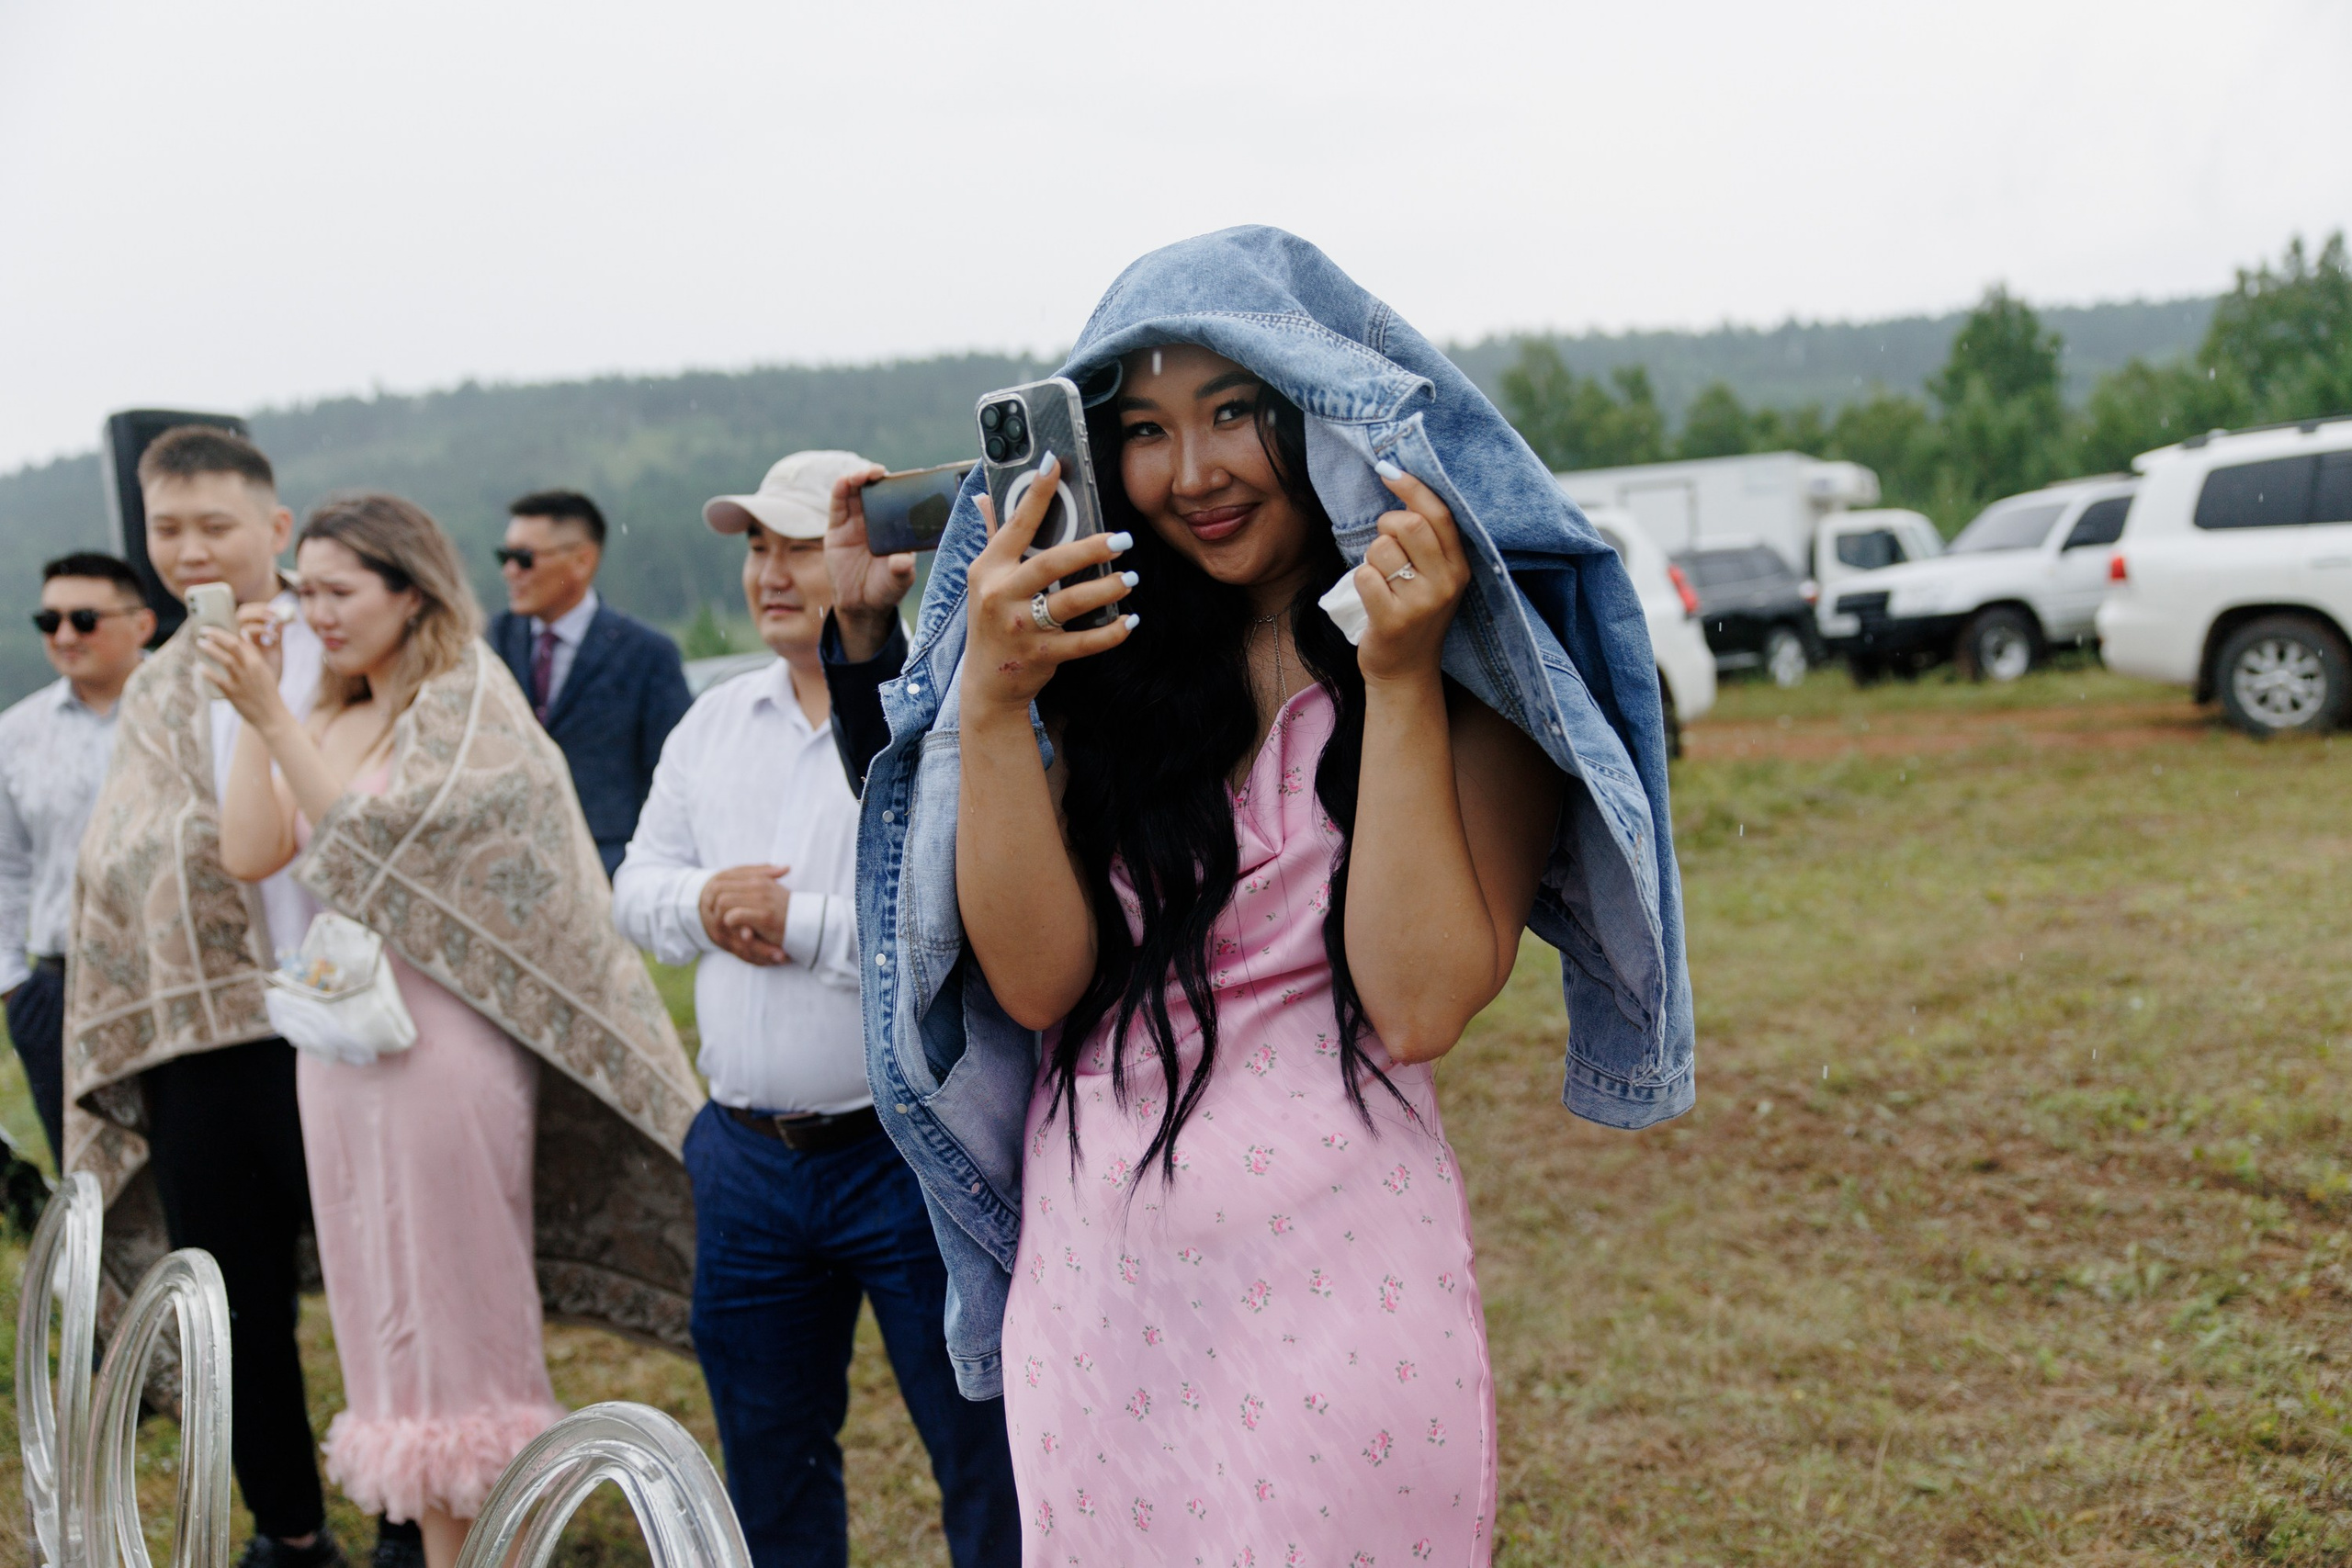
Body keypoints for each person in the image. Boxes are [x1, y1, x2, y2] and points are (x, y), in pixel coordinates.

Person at [843, 229, 1696, 1568]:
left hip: (1343, 1303)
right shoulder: (1097, 669)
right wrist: (994, 707)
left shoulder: (1484, 666)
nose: (1195, 474)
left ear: (1326, 411)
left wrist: (1402, 676)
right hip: (1098, 1311)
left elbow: (1417, 1002)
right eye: (1145, 428)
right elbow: (1037, 982)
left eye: (1236, 410)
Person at [201, 492, 703, 1568]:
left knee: (459, 1325)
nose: (318, 614)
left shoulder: (462, 701)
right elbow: (251, 852)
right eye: (307, 593)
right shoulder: (326, 710)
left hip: (442, 1045)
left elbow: (380, 857)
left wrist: (278, 718)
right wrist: (260, 716)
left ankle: (494, 1543)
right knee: (382, 1319)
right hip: (339, 1054)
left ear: (411, 591)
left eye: (341, 592)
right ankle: (438, 1543)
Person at [613, 451, 1018, 1568]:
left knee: (979, 1443)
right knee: (769, 1454)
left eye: (797, 543)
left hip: (902, 1153)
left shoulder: (931, 721)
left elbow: (944, 931)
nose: (771, 573)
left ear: (873, 553)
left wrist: (790, 927)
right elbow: (634, 894)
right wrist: (705, 899)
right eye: (755, 547)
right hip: (744, 1156)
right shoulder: (710, 725)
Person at [63, 424, 345, 1568]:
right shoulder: (158, 683)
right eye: (166, 530)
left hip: (350, 1024)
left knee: (393, 1273)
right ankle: (289, 1525)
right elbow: (122, 849)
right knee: (233, 1306)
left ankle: (427, 1505)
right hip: (209, 1045)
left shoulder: (344, 633)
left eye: (213, 526)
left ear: (274, 528)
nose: (189, 550)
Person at [0, 553, 153, 1163]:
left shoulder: (193, 707)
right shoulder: (16, 733)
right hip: (59, 988)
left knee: (196, 1180)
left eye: (84, 619)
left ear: (141, 623)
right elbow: (6, 864)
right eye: (50, 619)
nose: (64, 636)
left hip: (172, 977)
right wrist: (13, 983)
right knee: (91, 1191)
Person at [488, 490, 691, 877]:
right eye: (505, 557)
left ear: (583, 560)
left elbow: (670, 773)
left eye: (524, 559)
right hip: (509, 868)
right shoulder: (490, 643)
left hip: (612, 868)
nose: (510, 571)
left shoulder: (647, 654)